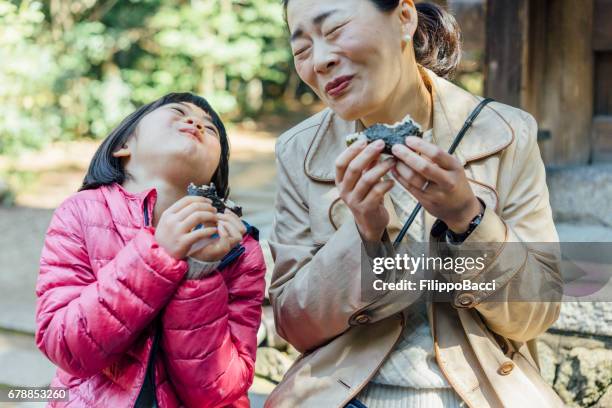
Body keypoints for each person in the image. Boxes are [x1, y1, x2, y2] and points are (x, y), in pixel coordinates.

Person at [267, 1, 563, 407]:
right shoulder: (299, 151)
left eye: (334, 30)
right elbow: (294, 325)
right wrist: (363, 233)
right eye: (301, 50)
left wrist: (467, 218)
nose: (319, 61)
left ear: (404, 18)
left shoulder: (507, 133)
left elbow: (536, 314)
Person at [35, 92, 266, 407]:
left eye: (211, 129)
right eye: (177, 112)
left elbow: (220, 392)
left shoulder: (240, 250)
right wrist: (157, 255)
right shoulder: (81, 212)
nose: (197, 122)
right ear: (123, 146)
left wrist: (200, 271)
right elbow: (65, 347)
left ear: (216, 171)